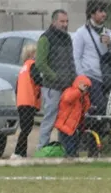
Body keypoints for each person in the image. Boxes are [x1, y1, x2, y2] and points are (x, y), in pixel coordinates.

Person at [36, 9, 75, 149]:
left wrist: (73, 79)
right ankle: (42, 149)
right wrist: (55, 77)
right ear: (54, 22)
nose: (65, 24)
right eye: (62, 21)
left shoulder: (67, 38)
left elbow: (71, 61)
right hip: (52, 87)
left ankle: (63, 149)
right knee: (50, 119)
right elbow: (40, 63)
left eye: (67, 21)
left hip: (68, 87)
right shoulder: (45, 38)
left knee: (65, 120)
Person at [72, 0, 111, 114]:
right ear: (92, 14)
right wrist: (82, 79)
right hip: (91, 78)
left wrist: (110, 44)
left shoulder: (109, 33)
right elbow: (76, 58)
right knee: (100, 108)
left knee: (110, 110)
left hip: (107, 79)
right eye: (100, 11)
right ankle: (92, 130)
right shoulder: (81, 33)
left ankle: (100, 130)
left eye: (105, 11)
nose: (104, 14)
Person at [13, 44, 41, 159]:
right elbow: (38, 79)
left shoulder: (23, 67)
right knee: (26, 128)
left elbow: (17, 86)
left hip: (21, 101)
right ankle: (18, 152)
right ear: (31, 55)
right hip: (28, 100)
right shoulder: (32, 65)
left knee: (25, 127)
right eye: (36, 53)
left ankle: (22, 152)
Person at [55, 75, 92, 157]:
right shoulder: (70, 91)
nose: (86, 89)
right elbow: (68, 98)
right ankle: (70, 156)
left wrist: (85, 97)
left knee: (73, 142)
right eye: (85, 86)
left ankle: (71, 156)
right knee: (69, 143)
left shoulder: (83, 97)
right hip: (65, 125)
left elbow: (85, 108)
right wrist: (79, 90)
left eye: (87, 87)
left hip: (73, 126)